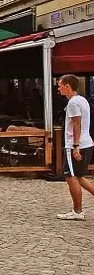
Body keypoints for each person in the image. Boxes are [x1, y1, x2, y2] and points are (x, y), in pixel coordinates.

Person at [56, 74, 94, 220]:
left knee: (71, 176)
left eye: (60, 86)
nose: (58, 89)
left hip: (75, 144)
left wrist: (76, 146)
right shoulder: (82, 100)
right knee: (79, 176)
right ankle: (77, 210)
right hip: (86, 142)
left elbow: (76, 123)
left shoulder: (73, 103)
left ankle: (77, 211)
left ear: (67, 86)